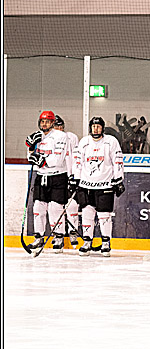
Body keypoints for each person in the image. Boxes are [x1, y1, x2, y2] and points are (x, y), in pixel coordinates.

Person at [72, 117, 124, 257]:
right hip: (86, 184)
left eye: (98, 126)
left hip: (104, 184)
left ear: (103, 128)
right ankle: (87, 241)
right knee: (87, 214)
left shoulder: (111, 141)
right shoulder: (84, 142)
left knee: (104, 215)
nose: (96, 129)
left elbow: (117, 160)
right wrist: (75, 178)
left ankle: (106, 242)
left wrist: (118, 179)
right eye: (93, 126)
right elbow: (77, 161)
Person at [25, 110, 73, 251]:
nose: (44, 124)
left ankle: (58, 238)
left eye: (47, 121)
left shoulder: (61, 136)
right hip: (41, 176)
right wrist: (30, 148)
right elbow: (30, 157)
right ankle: (38, 238)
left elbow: (57, 160)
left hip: (57, 176)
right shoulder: (37, 136)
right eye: (42, 121)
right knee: (38, 208)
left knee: (55, 208)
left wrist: (41, 160)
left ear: (52, 123)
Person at [53, 114, 81, 250]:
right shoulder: (49, 139)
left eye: (60, 126)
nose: (59, 128)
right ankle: (58, 237)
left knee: (72, 205)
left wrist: (75, 175)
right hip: (56, 177)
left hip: (70, 176)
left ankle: (73, 232)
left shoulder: (72, 137)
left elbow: (76, 157)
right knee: (55, 207)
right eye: (56, 126)